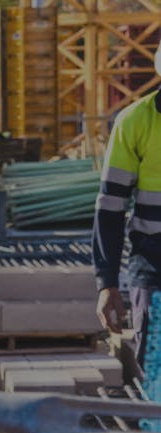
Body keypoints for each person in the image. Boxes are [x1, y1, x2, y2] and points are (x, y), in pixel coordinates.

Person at [93, 45, 161, 376]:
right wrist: (107, 283)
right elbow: (110, 207)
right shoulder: (135, 122)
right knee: (157, 359)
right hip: (154, 259)